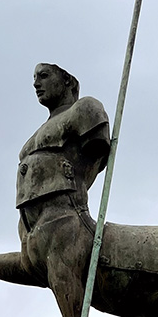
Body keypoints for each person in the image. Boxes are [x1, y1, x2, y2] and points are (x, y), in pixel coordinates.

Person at [16, 64, 111, 240]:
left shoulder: (84, 108)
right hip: (29, 225)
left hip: (64, 218)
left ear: (66, 80)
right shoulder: (36, 134)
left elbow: (95, 157)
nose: (36, 84)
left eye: (43, 76)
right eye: (34, 78)